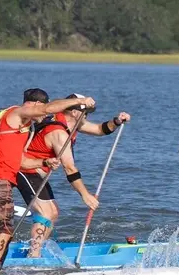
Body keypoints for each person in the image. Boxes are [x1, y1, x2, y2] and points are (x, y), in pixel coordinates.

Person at [0, 89, 94, 275]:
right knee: (3, 229)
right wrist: (76, 103)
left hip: (0, 175)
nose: (46, 115)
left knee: (5, 229)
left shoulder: (22, 129)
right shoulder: (17, 112)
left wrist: (43, 163)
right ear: (35, 105)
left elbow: (20, 161)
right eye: (43, 111)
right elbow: (50, 107)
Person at [17, 93, 131, 257]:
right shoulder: (58, 132)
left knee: (53, 212)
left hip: (37, 174)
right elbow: (69, 168)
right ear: (76, 112)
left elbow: (99, 129)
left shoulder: (72, 123)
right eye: (86, 113)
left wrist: (117, 121)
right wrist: (85, 195)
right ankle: (33, 256)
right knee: (45, 213)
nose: (86, 117)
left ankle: (36, 250)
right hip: (26, 171)